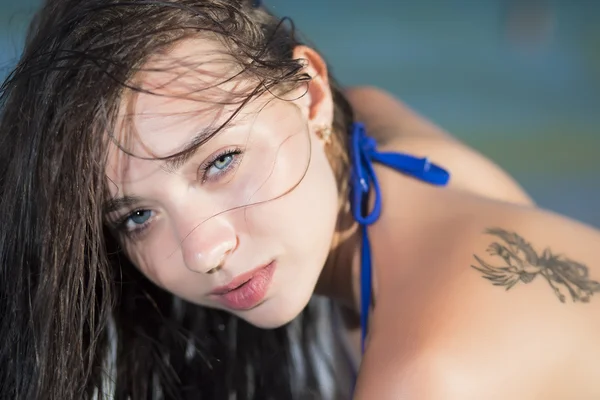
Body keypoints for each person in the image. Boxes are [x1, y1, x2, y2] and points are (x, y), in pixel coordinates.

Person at [1, 1, 598, 399]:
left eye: (220, 162)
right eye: (136, 215)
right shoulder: (370, 126)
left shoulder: (429, 375)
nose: (205, 252)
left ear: (309, 95)